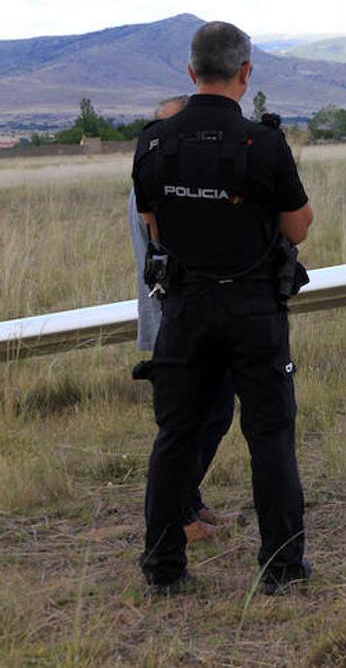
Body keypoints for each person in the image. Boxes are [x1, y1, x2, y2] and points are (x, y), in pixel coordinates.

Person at [132, 21, 314, 595]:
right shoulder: (264, 142)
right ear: (245, 73)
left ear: (191, 72)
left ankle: (163, 567)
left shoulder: (153, 142)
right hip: (253, 306)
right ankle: (282, 567)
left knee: (176, 437)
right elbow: (299, 228)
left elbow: (153, 226)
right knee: (269, 437)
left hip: (183, 307)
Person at [128, 94, 238, 544]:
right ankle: (179, 516)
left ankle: (188, 501)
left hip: (185, 316)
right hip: (180, 318)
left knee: (212, 412)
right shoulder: (156, 184)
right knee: (196, 420)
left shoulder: (156, 179)